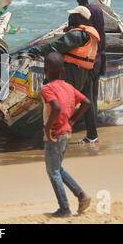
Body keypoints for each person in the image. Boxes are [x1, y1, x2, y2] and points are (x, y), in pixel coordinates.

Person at [41, 52, 91, 218]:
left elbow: (55, 107)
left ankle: (64, 208)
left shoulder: (47, 88)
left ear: (45, 71)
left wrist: (48, 130)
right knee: (57, 168)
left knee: (53, 172)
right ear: (62, 71)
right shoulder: (68, 86)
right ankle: (81, 195)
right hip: (67, 132)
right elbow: (86, 103)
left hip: (55, 134)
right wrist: (74, 119)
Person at [27, 6, 101, 93]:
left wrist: (37, 50)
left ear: (78, 18)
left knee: (60, 92)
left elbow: (56, 47)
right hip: (81, 72)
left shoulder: (76, 35)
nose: (70, 17)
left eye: (72, 15)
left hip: (72, 72)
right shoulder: (89, 34)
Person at [74, 0, 106, 143]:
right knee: (93, 97)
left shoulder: (80, 13)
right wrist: (104, 56)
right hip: (98, 58)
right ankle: (93, 133)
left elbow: (77, 38)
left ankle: (92, 135)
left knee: (87, 99)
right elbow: (102, 34)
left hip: (87, 60)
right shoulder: (97, 10)